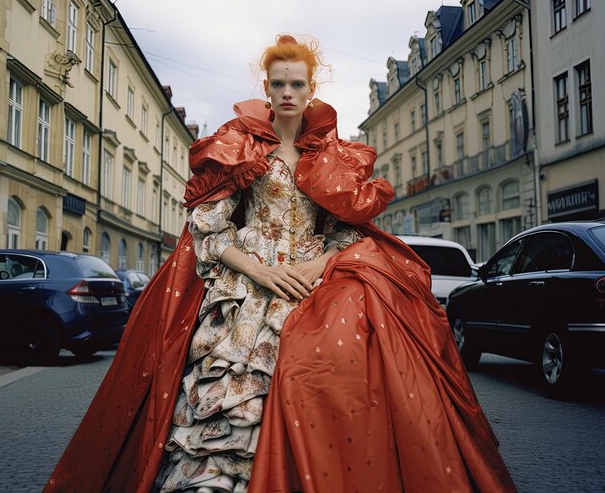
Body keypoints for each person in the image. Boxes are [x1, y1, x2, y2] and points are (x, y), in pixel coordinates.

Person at [45, 35, 517, 493]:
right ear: (266, 89)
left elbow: (347, 229)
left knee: (336, 365)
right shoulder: (242, 146)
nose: (287, 93)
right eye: (278, 84)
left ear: (311, 90)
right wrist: (259, 270)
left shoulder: (331, 156)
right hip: (248, 283)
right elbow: (208, 225)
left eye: (296, 85)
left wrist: (323, 264)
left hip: (314, 279)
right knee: (231, 382)